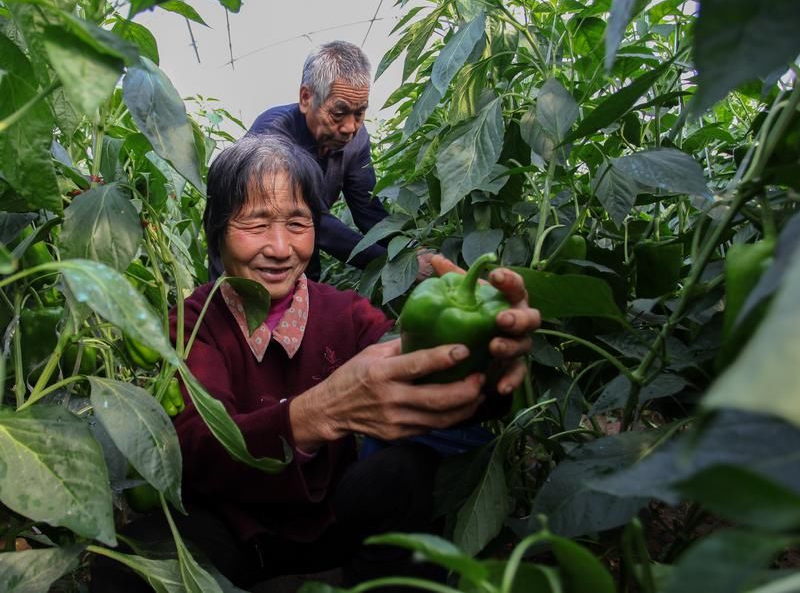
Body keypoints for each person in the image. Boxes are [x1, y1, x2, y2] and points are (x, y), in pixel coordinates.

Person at [93, 135, 540, 591]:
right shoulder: (195, 321)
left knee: (404, 471)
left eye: (298, 223)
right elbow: (194, 447)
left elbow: (425, 381)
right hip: (231, 529)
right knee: (124, 567)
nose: (281, 247)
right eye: (255, 224)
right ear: (217, 232)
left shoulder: (343, 313)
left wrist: (489, 358)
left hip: (331, 522)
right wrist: (317, 412)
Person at [215, 39, 432, 281]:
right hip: (248, 263)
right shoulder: (272, 136)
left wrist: (411, 250)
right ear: (306, 98)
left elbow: (368, 211)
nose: (350, 127)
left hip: (298, 255)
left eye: (359, 113)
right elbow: (316, 222)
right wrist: (393, 263)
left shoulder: (356, 140)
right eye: (338, 113)